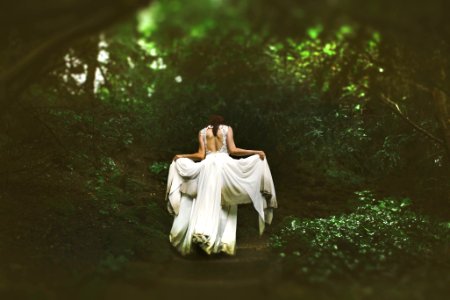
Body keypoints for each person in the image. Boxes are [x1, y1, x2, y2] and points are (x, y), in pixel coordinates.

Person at [165, 115, 277, 255]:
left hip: (206, 167)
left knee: (205, 200)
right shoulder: (227, 129)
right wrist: (255, 152)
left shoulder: (202, 132)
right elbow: (233, 151)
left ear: (210, 123)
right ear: (221, 122)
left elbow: (200, 155)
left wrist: (182, 156)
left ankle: (202, 233)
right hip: (224, 168)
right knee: (225, 202)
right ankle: (220, 243)